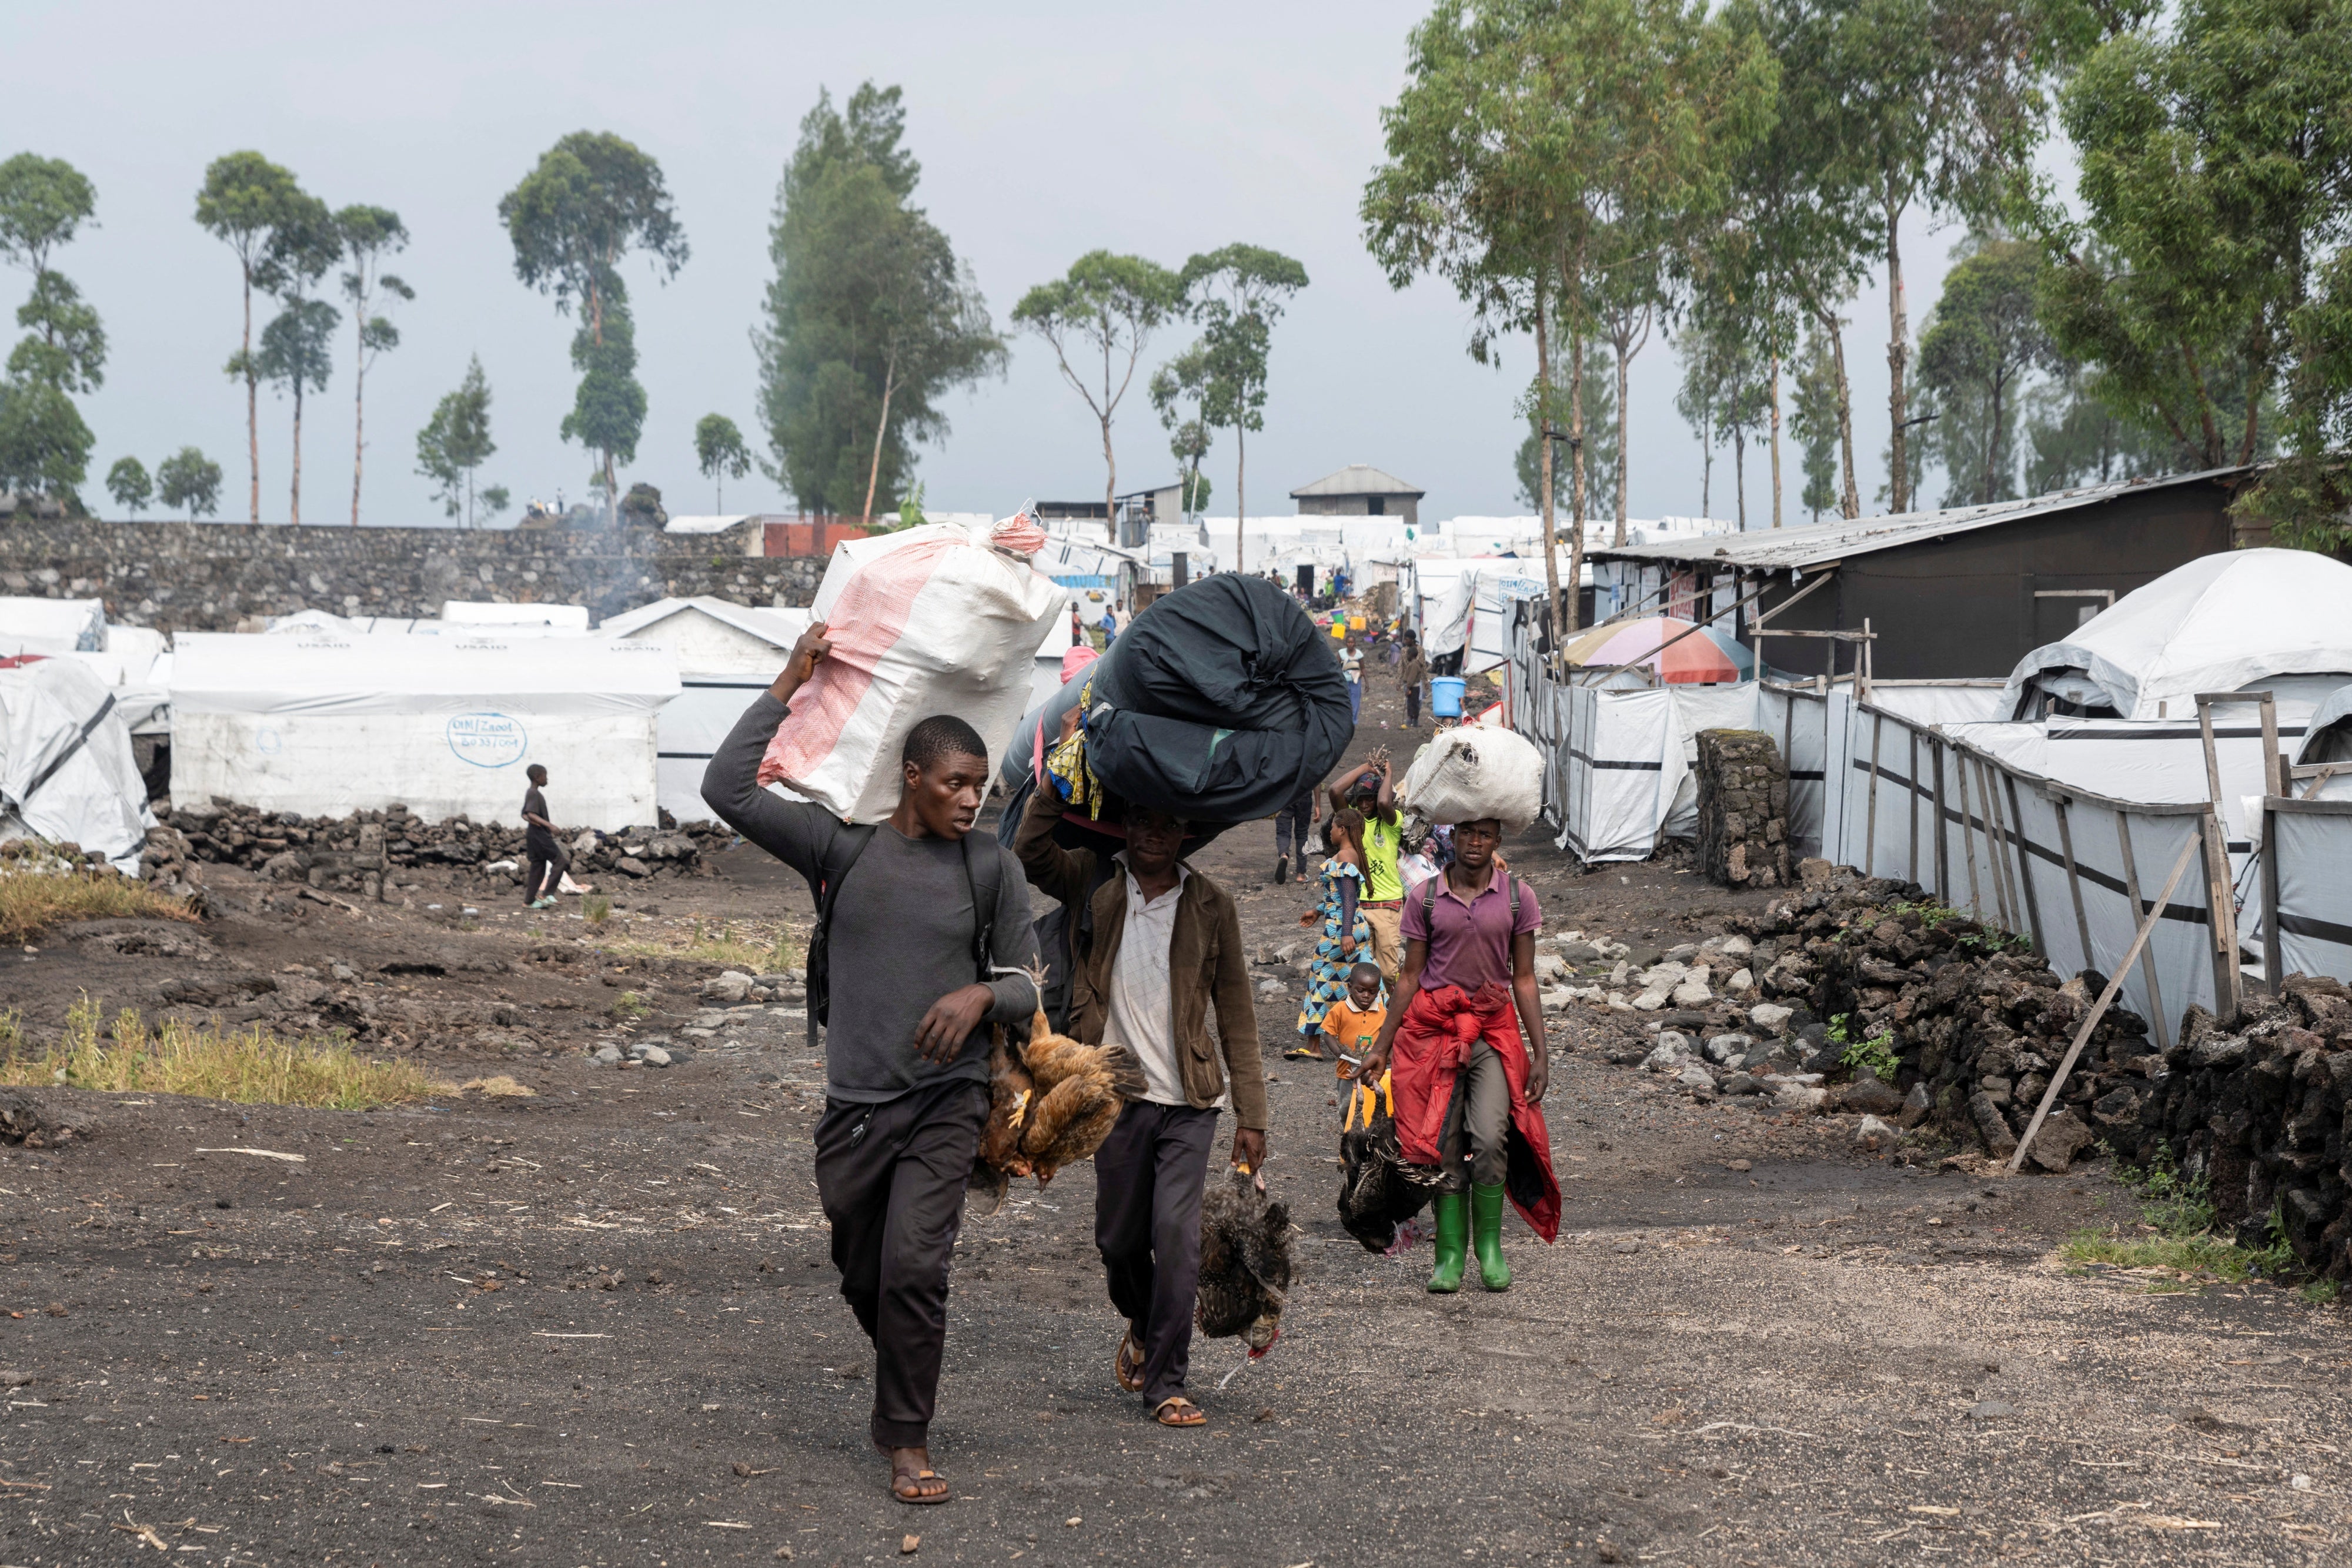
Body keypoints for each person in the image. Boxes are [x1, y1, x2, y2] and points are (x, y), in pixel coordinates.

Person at [702, 623, 1041, 1506]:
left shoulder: (990, 867)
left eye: (980, 783)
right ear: (912, 778)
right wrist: (789, 682)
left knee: (917, 1268)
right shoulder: (841, 851)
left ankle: (907, 1439)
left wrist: (979, 997)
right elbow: (725, 787)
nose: (972, 798)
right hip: (855, 1108)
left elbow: (1030, 984)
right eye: (955, 783)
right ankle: (902, 1364)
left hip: (947, 1100)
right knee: (866, 1270)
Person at [1015, 735, 1266, 1429]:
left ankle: (1168, 1384)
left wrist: (1253, 1114)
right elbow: (1029, 853)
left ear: (1186, 832)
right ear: (1127, 823)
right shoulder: (1093, 881)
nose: (1156, 834)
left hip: (1190, 1102)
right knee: (1119, 1242)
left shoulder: (1212, 905)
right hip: (1113, 1099)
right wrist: (1058, 776)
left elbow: (1237, 1012)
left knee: (1176, 1238)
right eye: (1144, 821)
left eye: (1169, 823)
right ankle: (1140, 1317)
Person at [1354, 816, 1559, 1294]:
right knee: (1442, 1144)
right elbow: (1409, 976)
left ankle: (1489, 1248)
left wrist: (1541, 1053)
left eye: (1485, 834)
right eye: (1467, 832)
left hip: (1491, 1032)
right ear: (1453, 837)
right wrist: (1381, 1046)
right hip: (1432, 1035)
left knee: (1490, 1137)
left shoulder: (1516, 896)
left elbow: (1524, 978)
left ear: (1498, 840)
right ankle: (1449, 1254)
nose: (1475, 842)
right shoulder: (1425, 896)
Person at [1294, 808, 1374, 1058]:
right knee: (1367, 980)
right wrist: (1318, 911)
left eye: (1333, 827)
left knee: (1321, 980)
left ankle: (1314, 1046)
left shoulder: (1345, 857)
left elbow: (1349, 898)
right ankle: (1379, 1037)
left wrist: (1346, 933)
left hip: (1341, 931)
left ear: (1342, 829)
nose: (1330, 831)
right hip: (1352, 926)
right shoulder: (1350, 855)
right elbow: (1339, 897)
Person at [1327, 757, 1404, 984]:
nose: (1364, 804)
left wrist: (1389, 773)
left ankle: (1392, 1011)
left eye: (1369, 798)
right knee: (1361, 972)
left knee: (1388, 973)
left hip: (1388, 906)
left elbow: (1384, 804)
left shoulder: (1392, 823)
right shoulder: (1354, 823)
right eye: (1360, 799)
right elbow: (1334, 790)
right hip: (1359, 907)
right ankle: (1371, 1017)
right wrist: (1366, 768)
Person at [1319, 960, 1387, 1087]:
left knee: (1370, 1104)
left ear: (1378, 991)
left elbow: (1387, 1038)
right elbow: (1328, 1035)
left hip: (1372, 1072)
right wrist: (1341, 1054)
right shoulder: (1340, 1009)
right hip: (1347, 1071)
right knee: (1347, 1104)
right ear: (1350, 988)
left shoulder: (1382, 1012)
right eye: (1360, 991)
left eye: (1372, 992)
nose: (1366, 996)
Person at [520, 764, 566, 910]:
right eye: (545, 776)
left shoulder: (532, 793)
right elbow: (531, 814)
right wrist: (549, 826)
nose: (547, 779)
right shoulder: (534, 793)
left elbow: (524, 814)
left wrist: (536, 822)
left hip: (533, 834)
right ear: (537, 777)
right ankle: (547, 894)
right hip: (539, 835)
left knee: (538, 867)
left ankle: (528, 902)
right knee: (560, 861)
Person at [1272, 782, 1318, 885]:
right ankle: (1301, 875)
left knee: (1283, 832)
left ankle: (1284, 855)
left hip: (1284, 795)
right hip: (1304, 795)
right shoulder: (1310, 764)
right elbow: (1317, 780)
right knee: (1302, 834)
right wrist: (1318, 805)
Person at [1398, 633, 1428, 730]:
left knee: (1413, 704)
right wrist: (1400, 680)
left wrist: (1408, 687)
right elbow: (1401, 666)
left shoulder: (1415, 662)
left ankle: (1411, 721)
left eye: (1407, 639)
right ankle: (1414, 722)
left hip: (1413, 685)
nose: (1405, 641)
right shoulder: (1405, 651)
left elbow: (1412, 676)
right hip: (1412, 685)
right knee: (1413, 703)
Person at [1340, 638, 1364, 723]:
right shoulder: (1341, 653)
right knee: (1345, 701)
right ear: (1346, 643)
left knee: (1355, 702)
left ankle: (1353, 721)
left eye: (1352, 642)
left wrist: (1367, 683)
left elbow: (1363, 668)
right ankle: (1345, 720)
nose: (1350, 644)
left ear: (1355, 643)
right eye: (1349, 642)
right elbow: (1336, 667)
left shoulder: (1359, 654)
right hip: (1344, 681)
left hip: (1356, 681)